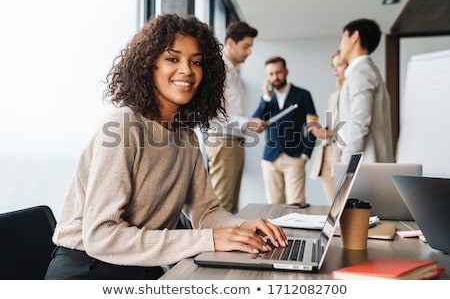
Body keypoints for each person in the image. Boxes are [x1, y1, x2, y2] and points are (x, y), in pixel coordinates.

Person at [44, 14, 287, 280]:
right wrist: (209, 240)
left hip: (144, 266)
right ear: (150, 65)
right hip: (89, 270)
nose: (187, 70)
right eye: (173, 59)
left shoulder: (186, 136)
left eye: (196, 62)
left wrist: (241, 227)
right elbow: (102, 236)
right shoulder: (123, 126)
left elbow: (206, 211)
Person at [205, 21, 267, 213]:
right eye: (246, 46)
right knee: (222, 207)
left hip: (233, 141)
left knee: (229, 205)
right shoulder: (221, 70)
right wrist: (247, 122)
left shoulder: (233, 71)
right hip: (224, 142)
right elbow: (213, 115)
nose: (249, 52)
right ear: (230, 43)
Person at [252, 56, 317, 206]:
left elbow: (313, 127)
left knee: (296, 205)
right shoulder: (267, 99)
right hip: (270, 159)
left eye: (279, 72)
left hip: (295, 158)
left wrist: (305, 155)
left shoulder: (303, 95)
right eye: (271, 74)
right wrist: (266, 97)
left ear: (286, 72)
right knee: (274, 207)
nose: (275, 77)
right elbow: (254, 123)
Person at [337, 18, 394, 163]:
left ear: (355, 37)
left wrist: (347, 161)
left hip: (364, 164)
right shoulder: (365, 71)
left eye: (343, 38)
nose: (340, 45)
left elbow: (360, 121)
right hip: (366, 162)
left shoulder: (361, 72)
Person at [309, 50, 348, 203]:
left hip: (341, 155)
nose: (335, 70)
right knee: (333, 206)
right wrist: (322, 131)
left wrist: (329, 133)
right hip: (327, 156)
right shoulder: (334, 95)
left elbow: (352, 127)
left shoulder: (351, 94)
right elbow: (333, 125)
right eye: (333, 66)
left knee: (343, 205)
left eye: (339, 65)